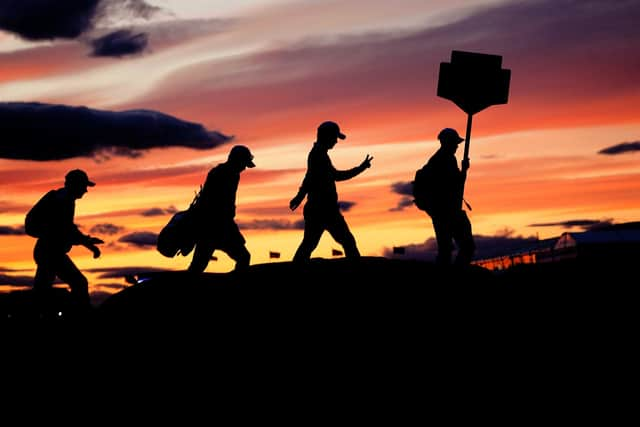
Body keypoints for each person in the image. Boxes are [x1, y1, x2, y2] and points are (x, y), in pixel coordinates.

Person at [290, 121, 373, 262]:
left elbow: (309, 177)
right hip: (324, 210)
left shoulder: (318, 154)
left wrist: (299, 196)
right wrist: (361, 168)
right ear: (326, 136)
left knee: (309, 244)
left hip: (320, 209)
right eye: (334, 137)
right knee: (347, 242)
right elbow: (335, 176)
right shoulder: (318, 155)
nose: (335, 141)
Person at [27, 169, 104, 315]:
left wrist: (88, 243)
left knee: (42, 290)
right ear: (75, 185)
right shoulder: (63, 201)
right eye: (83, 186)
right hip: (51, 253)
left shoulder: (64, 199)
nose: (85, 191)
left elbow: (68, 229)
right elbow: (65, 229)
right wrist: (88, 243)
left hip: (48, 251)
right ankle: (80, 315)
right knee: (79, 283)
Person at [188, 145, 255, 273]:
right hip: (214, 225)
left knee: (198, 265)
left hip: (218, 225)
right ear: (236, 160)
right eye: (244, 164)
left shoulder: (229, 174)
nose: (244, 168)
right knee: (243, 257)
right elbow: (213, 202)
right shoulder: (223, 174)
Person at [420, 127, 475, 266]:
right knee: (464, 247)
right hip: (447, 212)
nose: (457, 146)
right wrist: (464, 170)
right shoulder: (444, 160)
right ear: (447, 142)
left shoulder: (443, 158)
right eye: (455, 143)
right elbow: (456, 183)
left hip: (441, 212)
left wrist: (463, 170)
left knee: (446, 250)